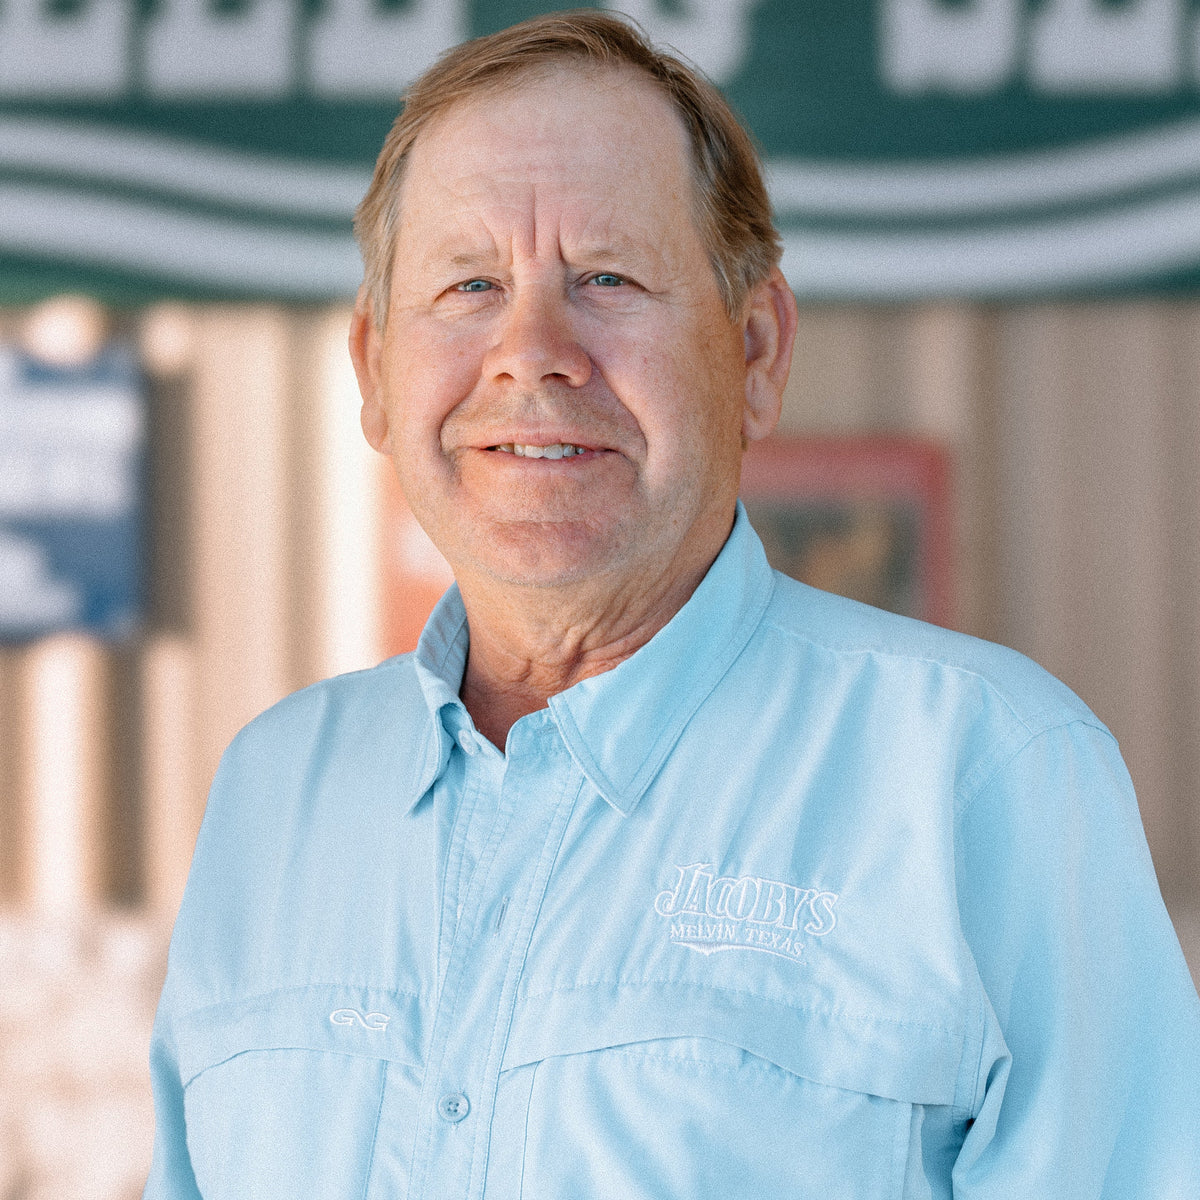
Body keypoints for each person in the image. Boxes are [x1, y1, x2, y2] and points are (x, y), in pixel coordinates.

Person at [144, 12, 1200, 1199]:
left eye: (607, 278)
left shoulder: (985, 771)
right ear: (374, 374)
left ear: (755, 350)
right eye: (470, 283)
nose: (531, 353)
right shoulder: (273, 794)